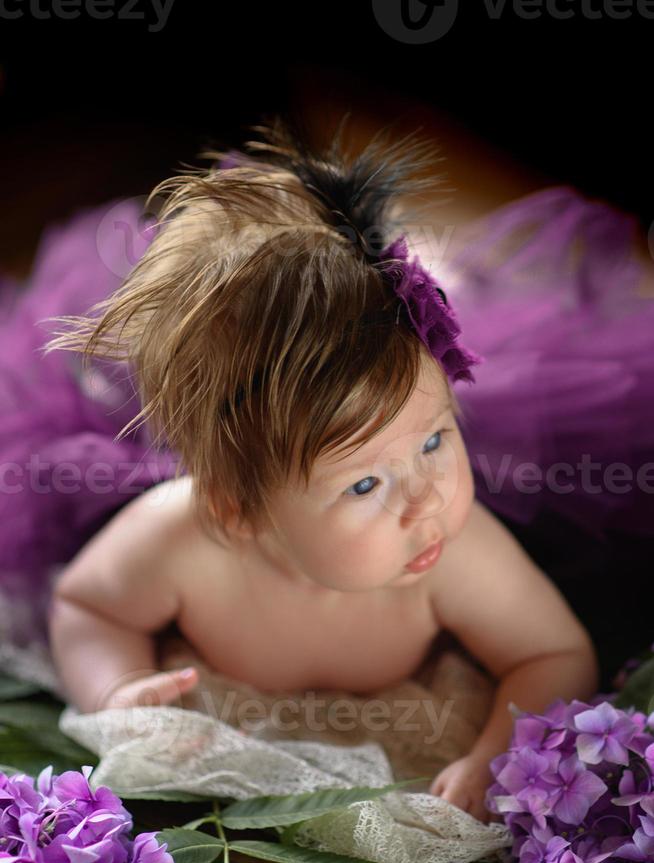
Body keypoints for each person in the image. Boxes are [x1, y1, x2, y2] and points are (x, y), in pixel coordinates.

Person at [0, 115, 648, 821]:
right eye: (365, 485)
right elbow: (88, 605)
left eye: (436, 440)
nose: (425, 499)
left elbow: (552, 653)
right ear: (235, 512)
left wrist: (497, 751)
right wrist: (117, 689)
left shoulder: (452, 552)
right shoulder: (176, 541)